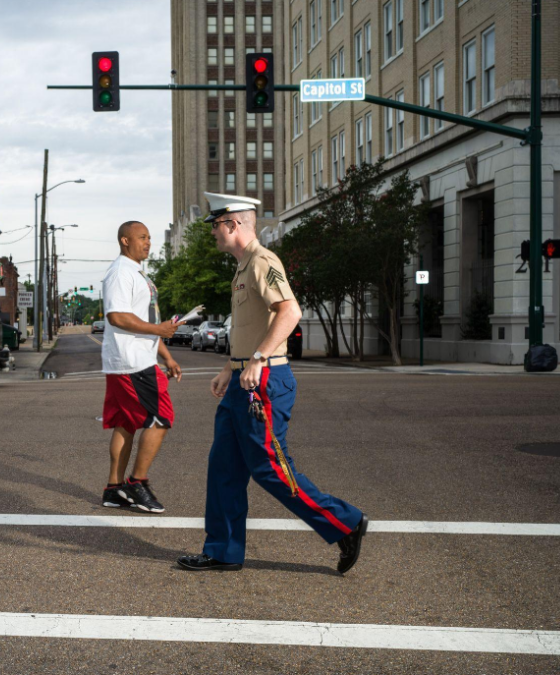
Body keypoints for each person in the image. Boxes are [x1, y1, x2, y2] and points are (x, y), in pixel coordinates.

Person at [177, 193, 367, 573]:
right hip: (243, 381)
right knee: (224, 468)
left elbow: (290, 311)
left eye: (216, 225)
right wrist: (231, 367)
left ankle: (345, 522)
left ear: (233, 224)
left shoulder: (263, 261)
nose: (213, 232)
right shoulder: (242, 268)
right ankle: (223, 550)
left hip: (264, 381)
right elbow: (253, 328)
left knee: (270, 468)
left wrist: (259, 358)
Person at [100, 221, 183, 513]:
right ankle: (137, 483)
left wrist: (166, 356)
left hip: (134, 358)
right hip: (131, 361)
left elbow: (145, 323)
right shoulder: (121, 273)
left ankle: (114, 489)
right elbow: (117, 317)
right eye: (142, 237)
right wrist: (158, 329)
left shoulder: (137, 273)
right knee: (160, 418)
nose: (148, 242)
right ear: (125, 240)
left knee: (125, 423)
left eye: (149, 237)